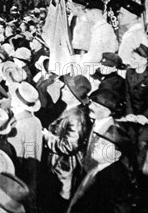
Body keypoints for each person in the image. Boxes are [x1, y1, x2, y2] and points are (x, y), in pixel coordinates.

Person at [41, 74, 91, 213]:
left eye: (67, 89)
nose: (62, 89)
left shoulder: (77, 117)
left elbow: (70, 146)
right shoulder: (66, 107)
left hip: (65, 168)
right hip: (57, 163)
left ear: (74, 95)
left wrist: (47, 137)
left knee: (59, 202)